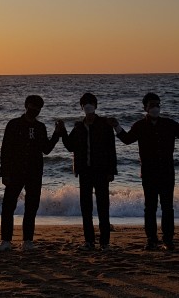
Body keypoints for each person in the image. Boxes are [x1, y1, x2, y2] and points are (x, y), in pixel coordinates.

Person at [107, 92, 179, 251]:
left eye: (157, 105)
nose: (155, 108)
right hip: (149, 173)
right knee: (150, 207)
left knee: (167, 208)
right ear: (145, 107)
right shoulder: (139, 126)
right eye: (152, 105)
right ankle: (151, 240)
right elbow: (127, 140)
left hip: (167, 172)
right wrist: (117, 126)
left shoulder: (169, 124)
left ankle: (168, 240)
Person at [0, 95, 63, 252]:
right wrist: (4, 173)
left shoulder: (40, 127)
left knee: (31, 207)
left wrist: (57, 134)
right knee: (8, 207)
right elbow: (5, 150)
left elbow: (46, 149)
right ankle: (5, 240)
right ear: (26, 105)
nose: (35, 109)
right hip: (14, 172)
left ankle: (27, 240)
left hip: (34, 172)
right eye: (32, 106)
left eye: (38, 107)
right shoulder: (13, 125)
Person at [58, 92, 117, 251]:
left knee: (103, 208)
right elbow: (70, 146)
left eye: (91, 103)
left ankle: (105, 243)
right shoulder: (78, 126)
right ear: (82, 107)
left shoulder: (105, 124)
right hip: (84, 172)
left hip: (102, 172)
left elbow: (111, 149)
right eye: (85, 103)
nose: (88, 106)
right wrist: (62, 131)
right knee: (86, 208)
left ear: (96, 106)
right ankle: (89, 241)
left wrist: (111, 171)